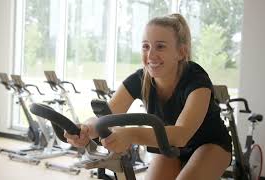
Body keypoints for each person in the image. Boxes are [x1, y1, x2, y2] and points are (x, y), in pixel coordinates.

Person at [64, 13, 232, 180]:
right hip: (169, 145)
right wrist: (84, 129)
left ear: (181, 52)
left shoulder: (196, 79)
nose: (150, 55)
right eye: (146, 46)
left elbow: (181, 135)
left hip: (211, 144)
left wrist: (131, 134)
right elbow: (106, 116)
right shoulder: (140, 79)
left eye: (160, 46)